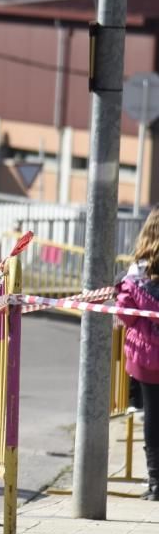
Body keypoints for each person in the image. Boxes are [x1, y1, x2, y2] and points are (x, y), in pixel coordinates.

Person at [116, 206, 159, 501]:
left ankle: (156, 484)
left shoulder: (137, 273)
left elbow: (126, 316)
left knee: (153, 418)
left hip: (147, 357)